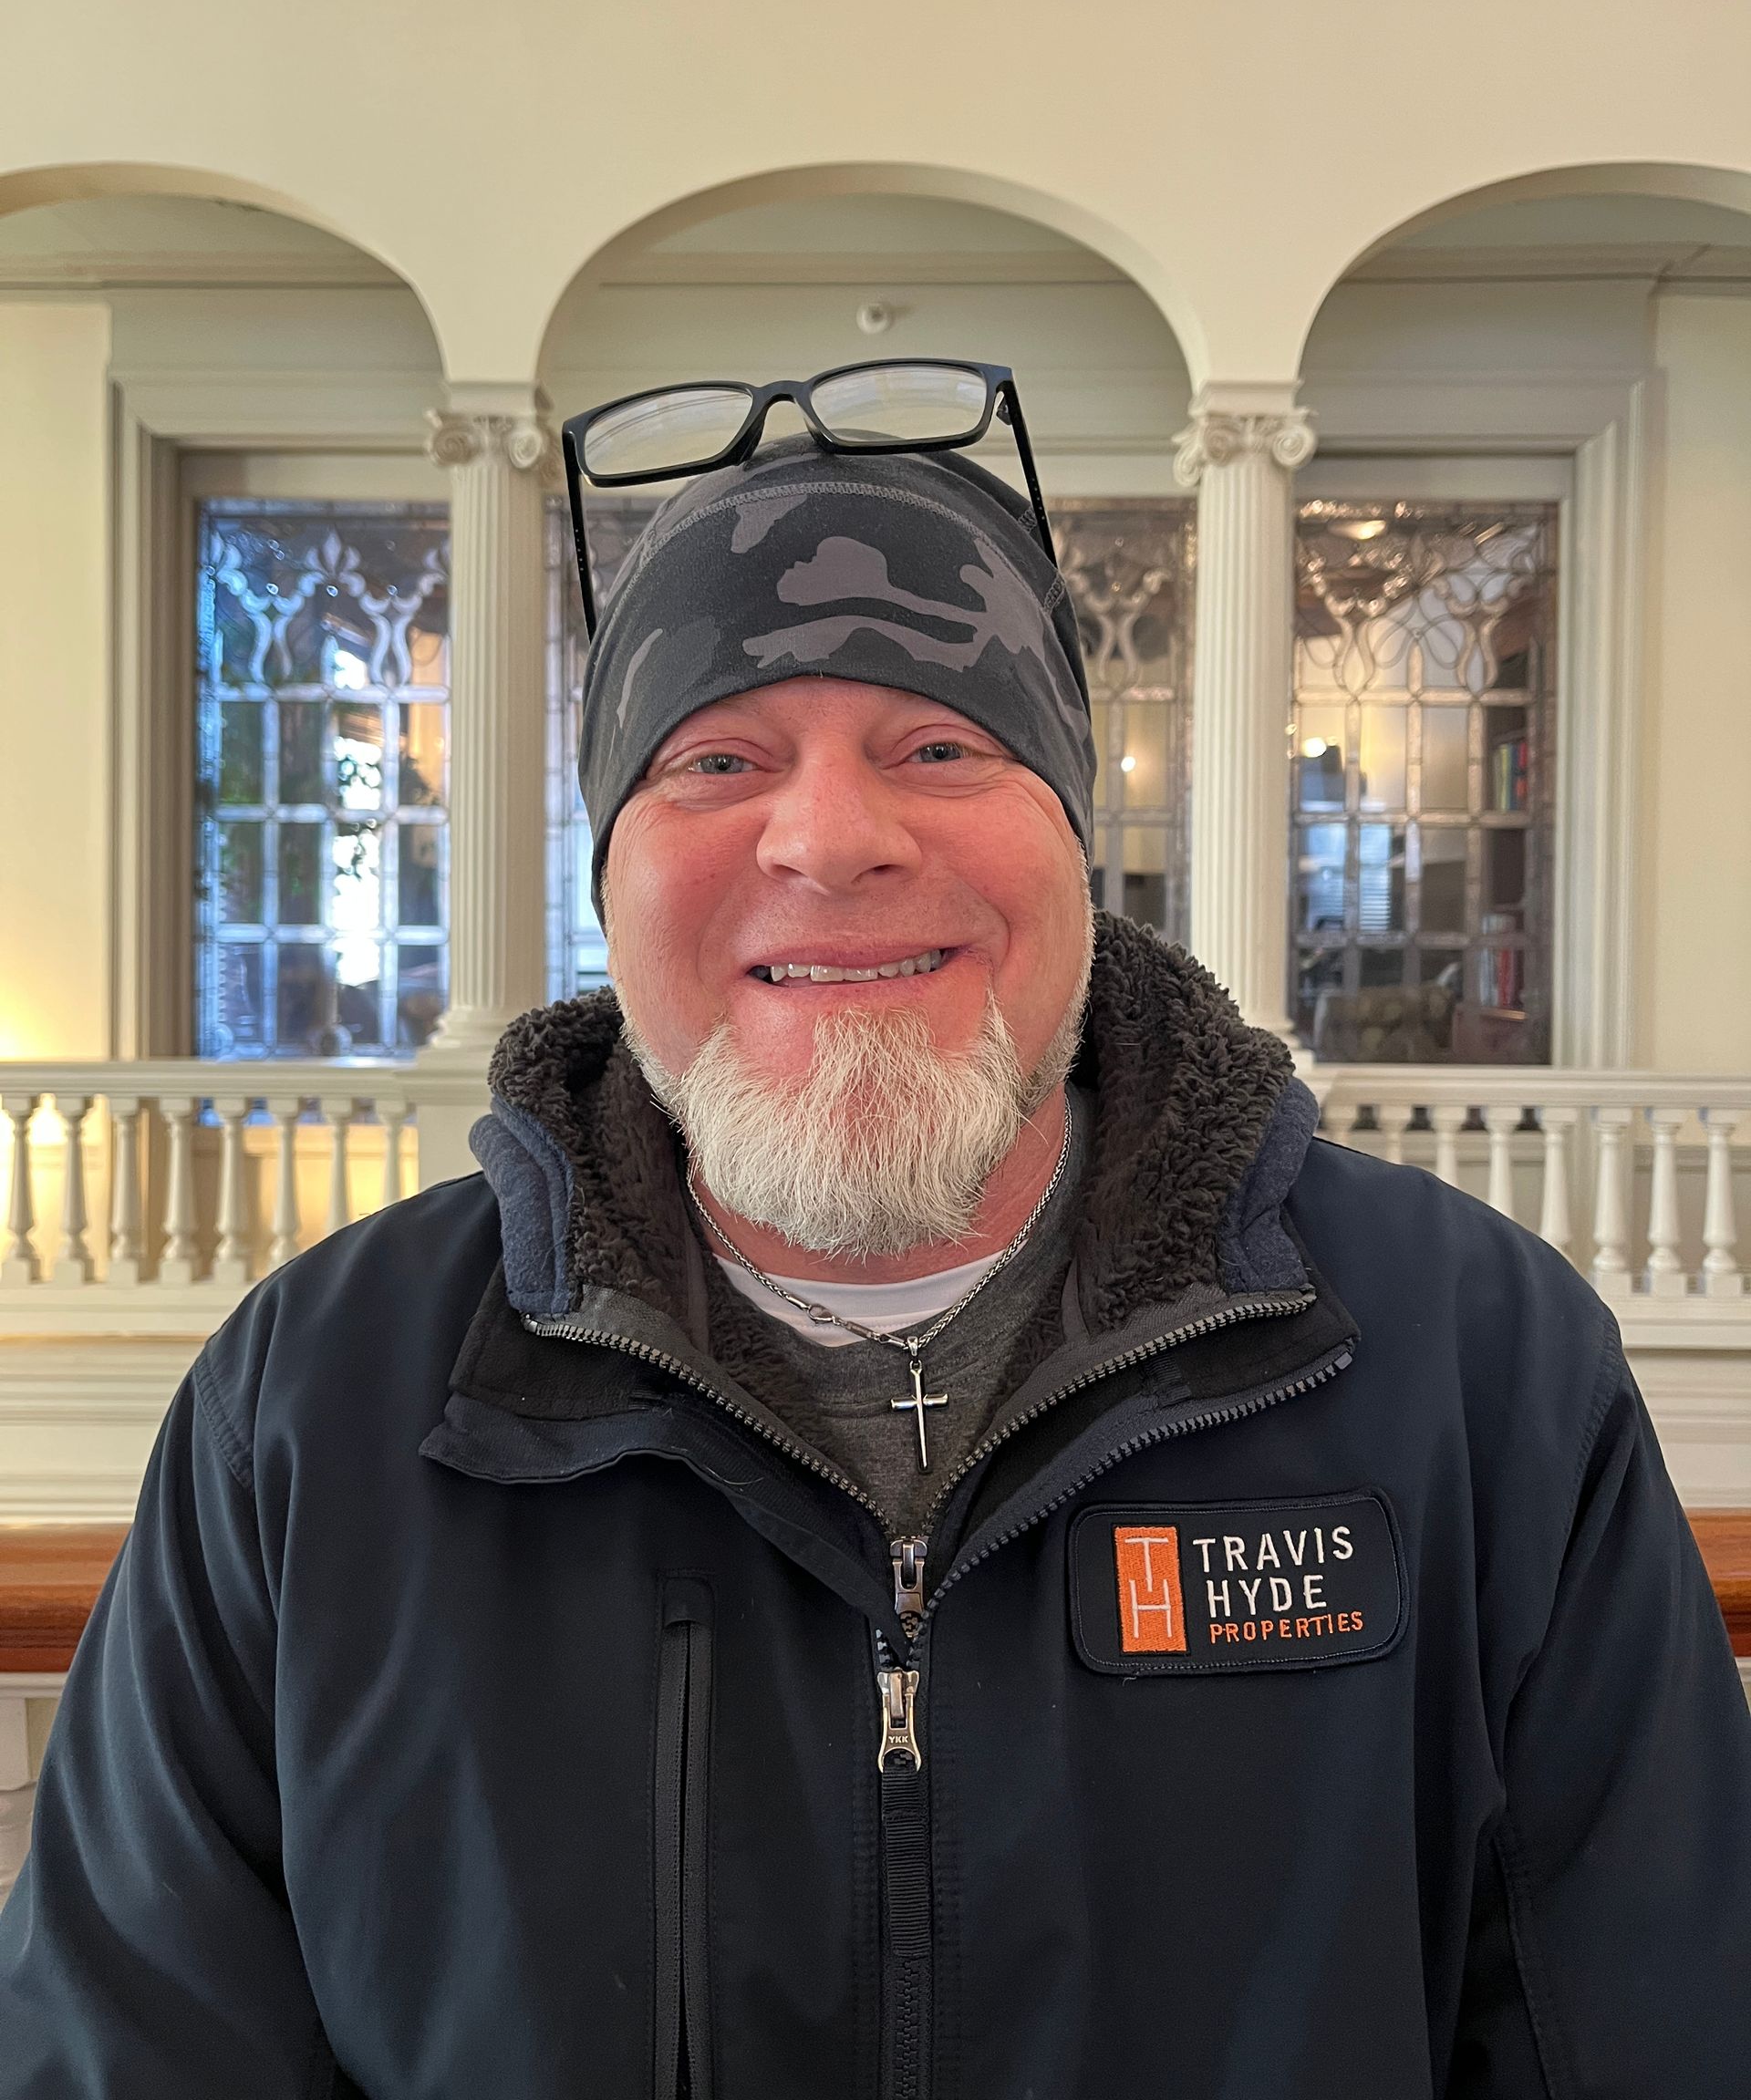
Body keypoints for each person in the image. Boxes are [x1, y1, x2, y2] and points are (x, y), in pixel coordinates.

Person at [3, 386, 1748, 2099]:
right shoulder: (318, 1410)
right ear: (609, 878)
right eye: (716, 761)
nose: (831, 839)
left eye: (938, 747)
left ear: (1079, 841)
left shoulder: (1470, 1367)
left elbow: (1654, 2026)